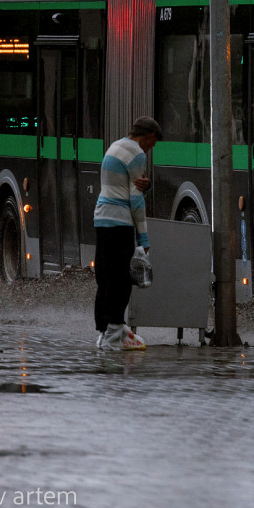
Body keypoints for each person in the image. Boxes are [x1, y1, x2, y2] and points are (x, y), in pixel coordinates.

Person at [94, 116, 162, 350]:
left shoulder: (115, 146)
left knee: (104, 278)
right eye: (152, 142)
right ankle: (113, 336)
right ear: (147, 136)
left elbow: (127, 184)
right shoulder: (136, 153)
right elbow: (135, 198)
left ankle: (104, 333)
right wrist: (143, 239)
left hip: (101, 219)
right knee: (121, 281)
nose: (151, 148)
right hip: (120, 223)